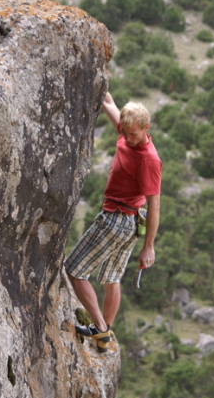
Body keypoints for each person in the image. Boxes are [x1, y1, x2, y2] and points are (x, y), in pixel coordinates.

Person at [64, 92, 162, 352]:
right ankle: (104, 331)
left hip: (116, 220)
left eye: (134, 135)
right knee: (111, 279)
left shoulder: (149, 159)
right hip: (126, 223)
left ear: (146, 129)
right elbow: (107, 101)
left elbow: (155, 205)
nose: (128, 139)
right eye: (125, 133)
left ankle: (100, 328)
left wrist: (149, 245)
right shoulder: (128, 129)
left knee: (74, 270)